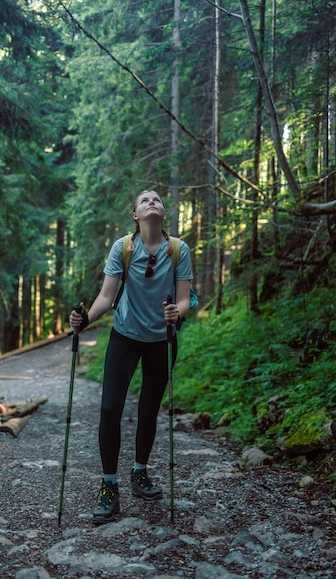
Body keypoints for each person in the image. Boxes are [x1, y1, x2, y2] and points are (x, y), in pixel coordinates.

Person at [69, 189, 193, 524]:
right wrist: (84, 320)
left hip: (161, 341)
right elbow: (106, 297)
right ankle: (109, 486)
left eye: (157, 200)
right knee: (110, 408)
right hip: (124, 337)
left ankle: (140, 473)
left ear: (163, 213)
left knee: (149, 410)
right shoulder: (123, 247)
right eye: (144, 200)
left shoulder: (178, 249)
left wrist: (176, 314)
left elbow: (184, 300)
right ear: (136, 216)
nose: (152, 201)